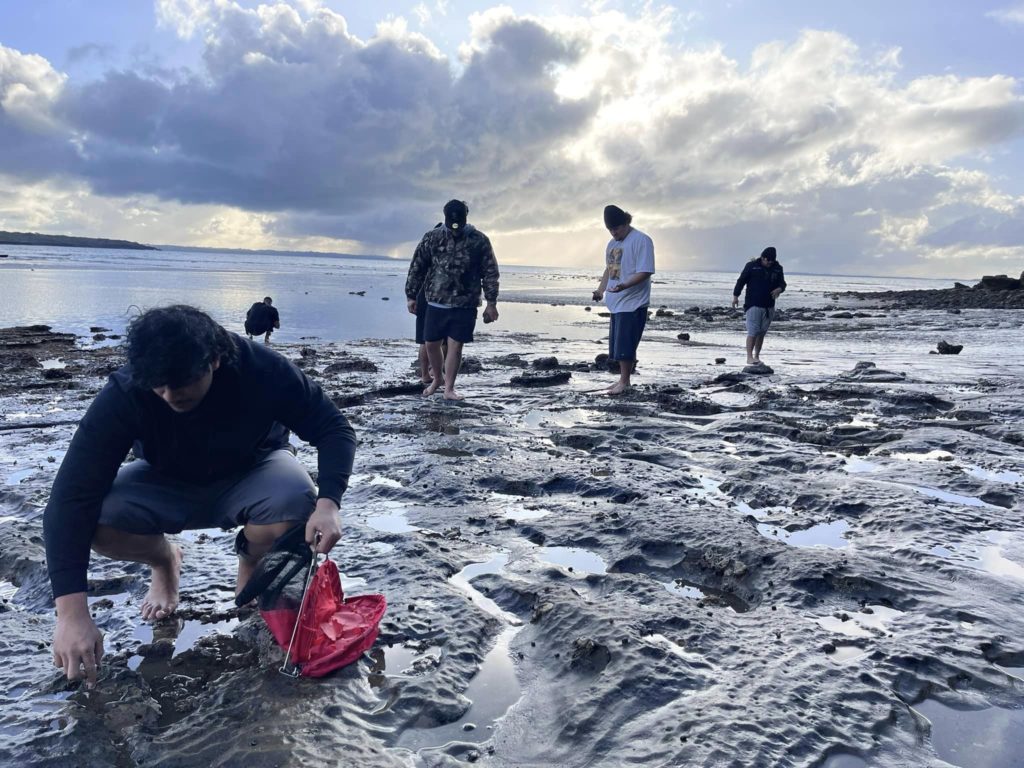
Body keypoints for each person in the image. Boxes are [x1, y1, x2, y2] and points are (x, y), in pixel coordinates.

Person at [43, 305, 356, 683]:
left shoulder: (261, 369)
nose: (171, 395)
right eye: (159, 386)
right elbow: (70, 499)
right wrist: (72, 614)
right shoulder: (128, 390)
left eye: (183, 383)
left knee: (297, 499)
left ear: (215, 359)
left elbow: (333, 428)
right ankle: (164, 562)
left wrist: (329, 503)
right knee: (97, 519)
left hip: (253, 470)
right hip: (166, 480)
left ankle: (252, 560)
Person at [405, 199, 500, 400]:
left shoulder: (479, 240)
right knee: (430, 343)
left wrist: (491, 303)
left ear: (466, 218)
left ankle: (449, 389)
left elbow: (490, 271)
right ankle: (437, 379)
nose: (455, 229)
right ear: (446, 218)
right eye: (451, 224)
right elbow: (417, 266)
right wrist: (411, 295)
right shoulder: (432, 238)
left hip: (465, 303)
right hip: (435, 301)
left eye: (459, 224)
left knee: (455, 346)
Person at [592, 205, 655, 395]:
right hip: (616, 303)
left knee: (626, 344)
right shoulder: (612, 244)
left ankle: (625, 381)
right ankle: (621, 380)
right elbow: (609, 269)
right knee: (618, 346)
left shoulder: (641, 240)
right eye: (610, 230)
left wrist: (624, 286)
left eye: (617, 228)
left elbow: (645, 271)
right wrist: (600, 290)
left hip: (633, 301)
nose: (614, 233)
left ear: (627, 222)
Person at [731, 246, 787, 365]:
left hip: (769, 305)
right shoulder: (751, 266)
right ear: (762, 258)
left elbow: (783, 283)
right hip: (753, 304)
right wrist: (736, 296)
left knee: (761, 332)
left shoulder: (777, 268)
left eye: (772, 261)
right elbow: (741, 281)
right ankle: (749, 357)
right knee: (753, 331)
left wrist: (779, 289)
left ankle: (756, 356)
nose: (769, 263)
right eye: (767, 260)